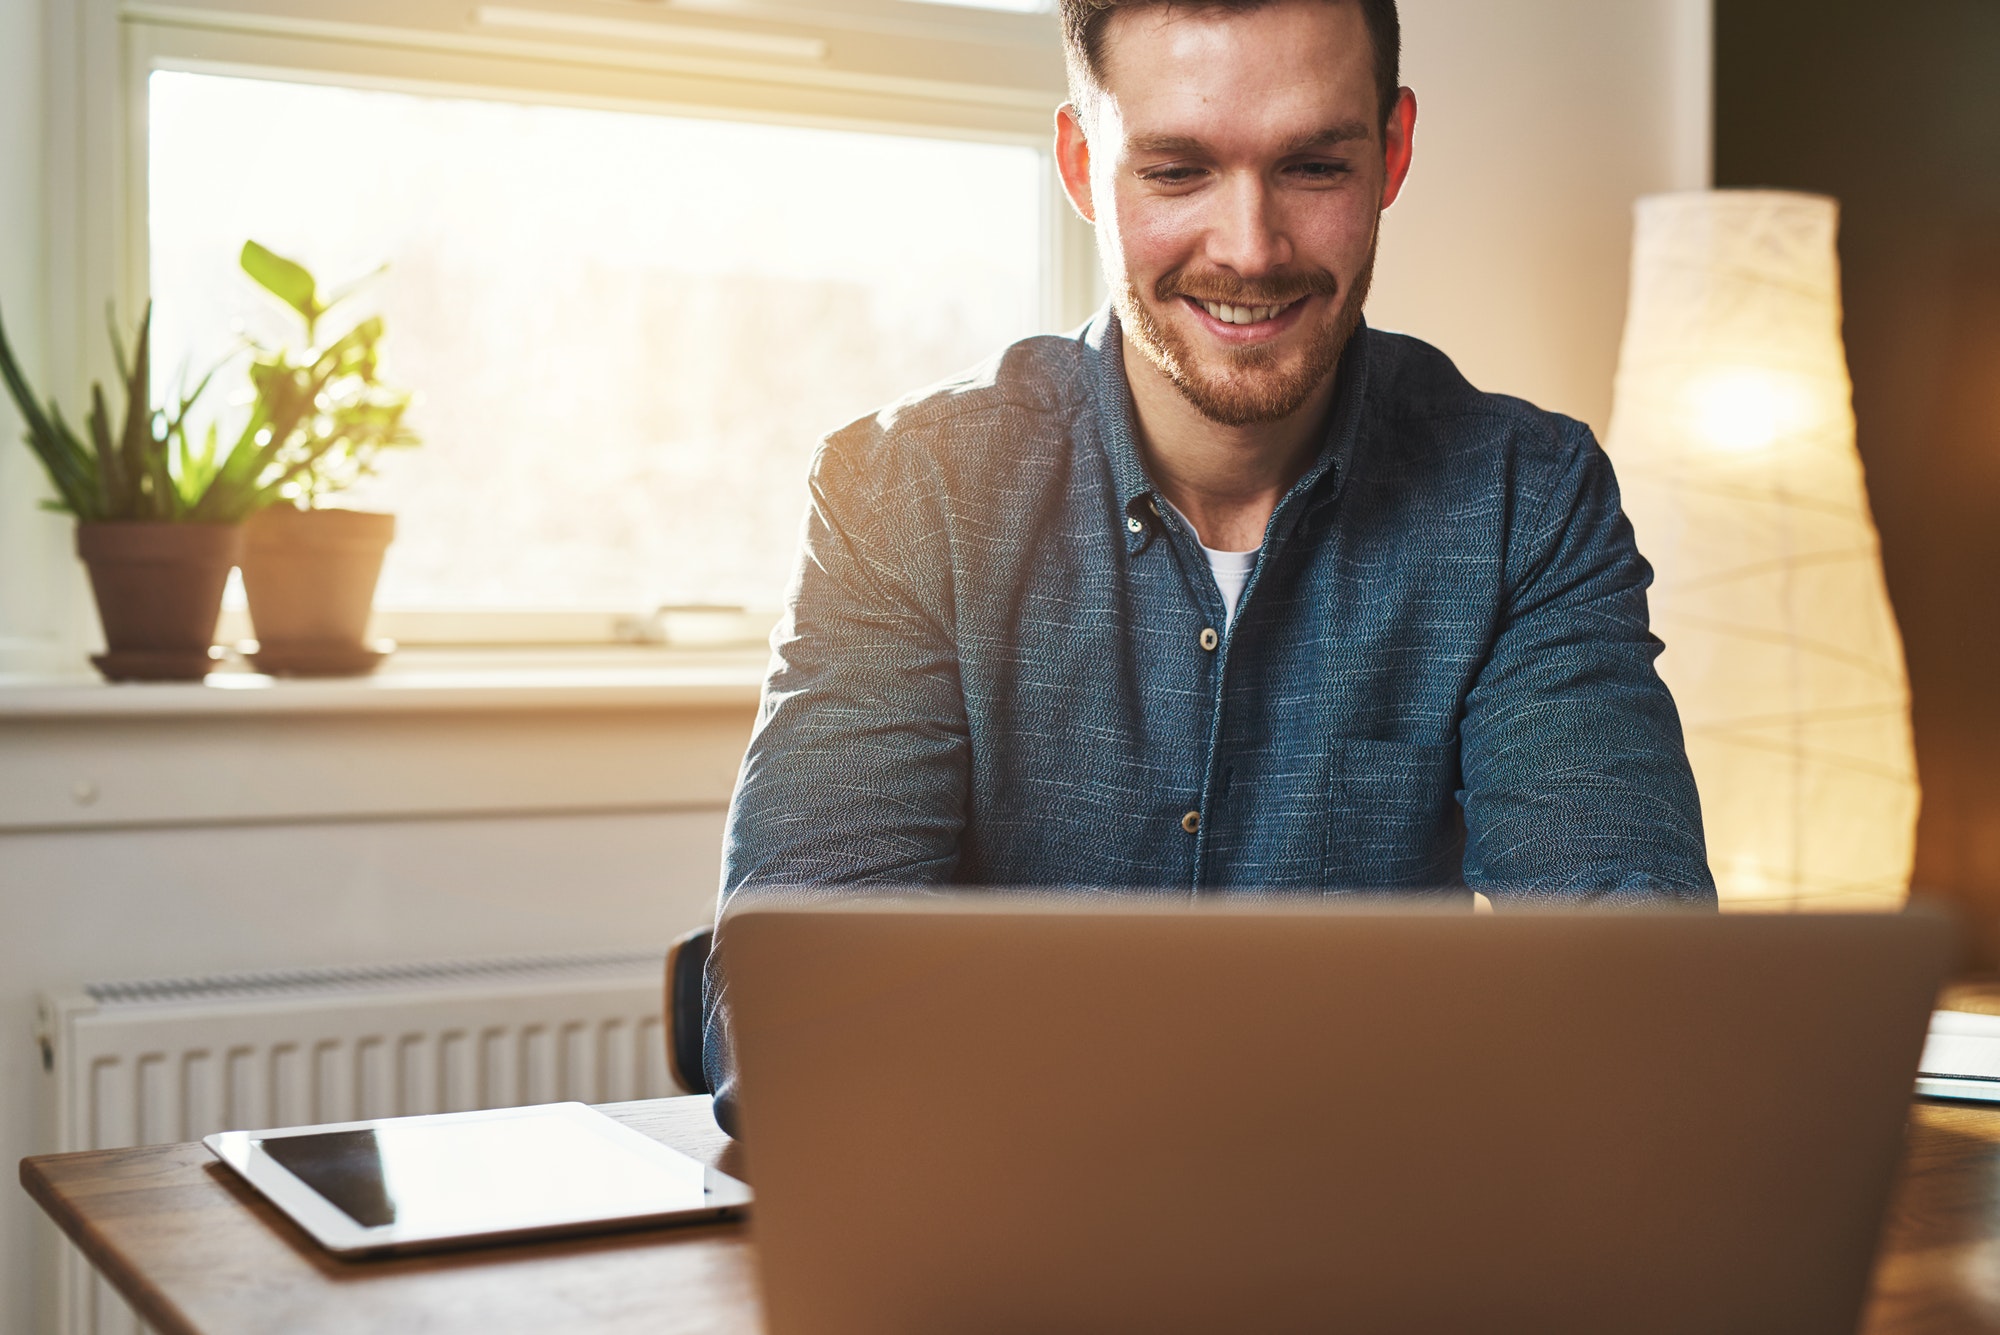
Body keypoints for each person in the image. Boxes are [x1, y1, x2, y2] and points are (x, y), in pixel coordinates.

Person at [702, 0, 1715, 1121]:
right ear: (1083, 168)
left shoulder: (1527, 500)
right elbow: (801, 1017)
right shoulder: (904, 495)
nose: (1249, 248)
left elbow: (1637, 992)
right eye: (1177, 170)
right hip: (1003, 1253)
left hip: (1377, 1246)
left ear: (1391, 152)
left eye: (1313, 166)